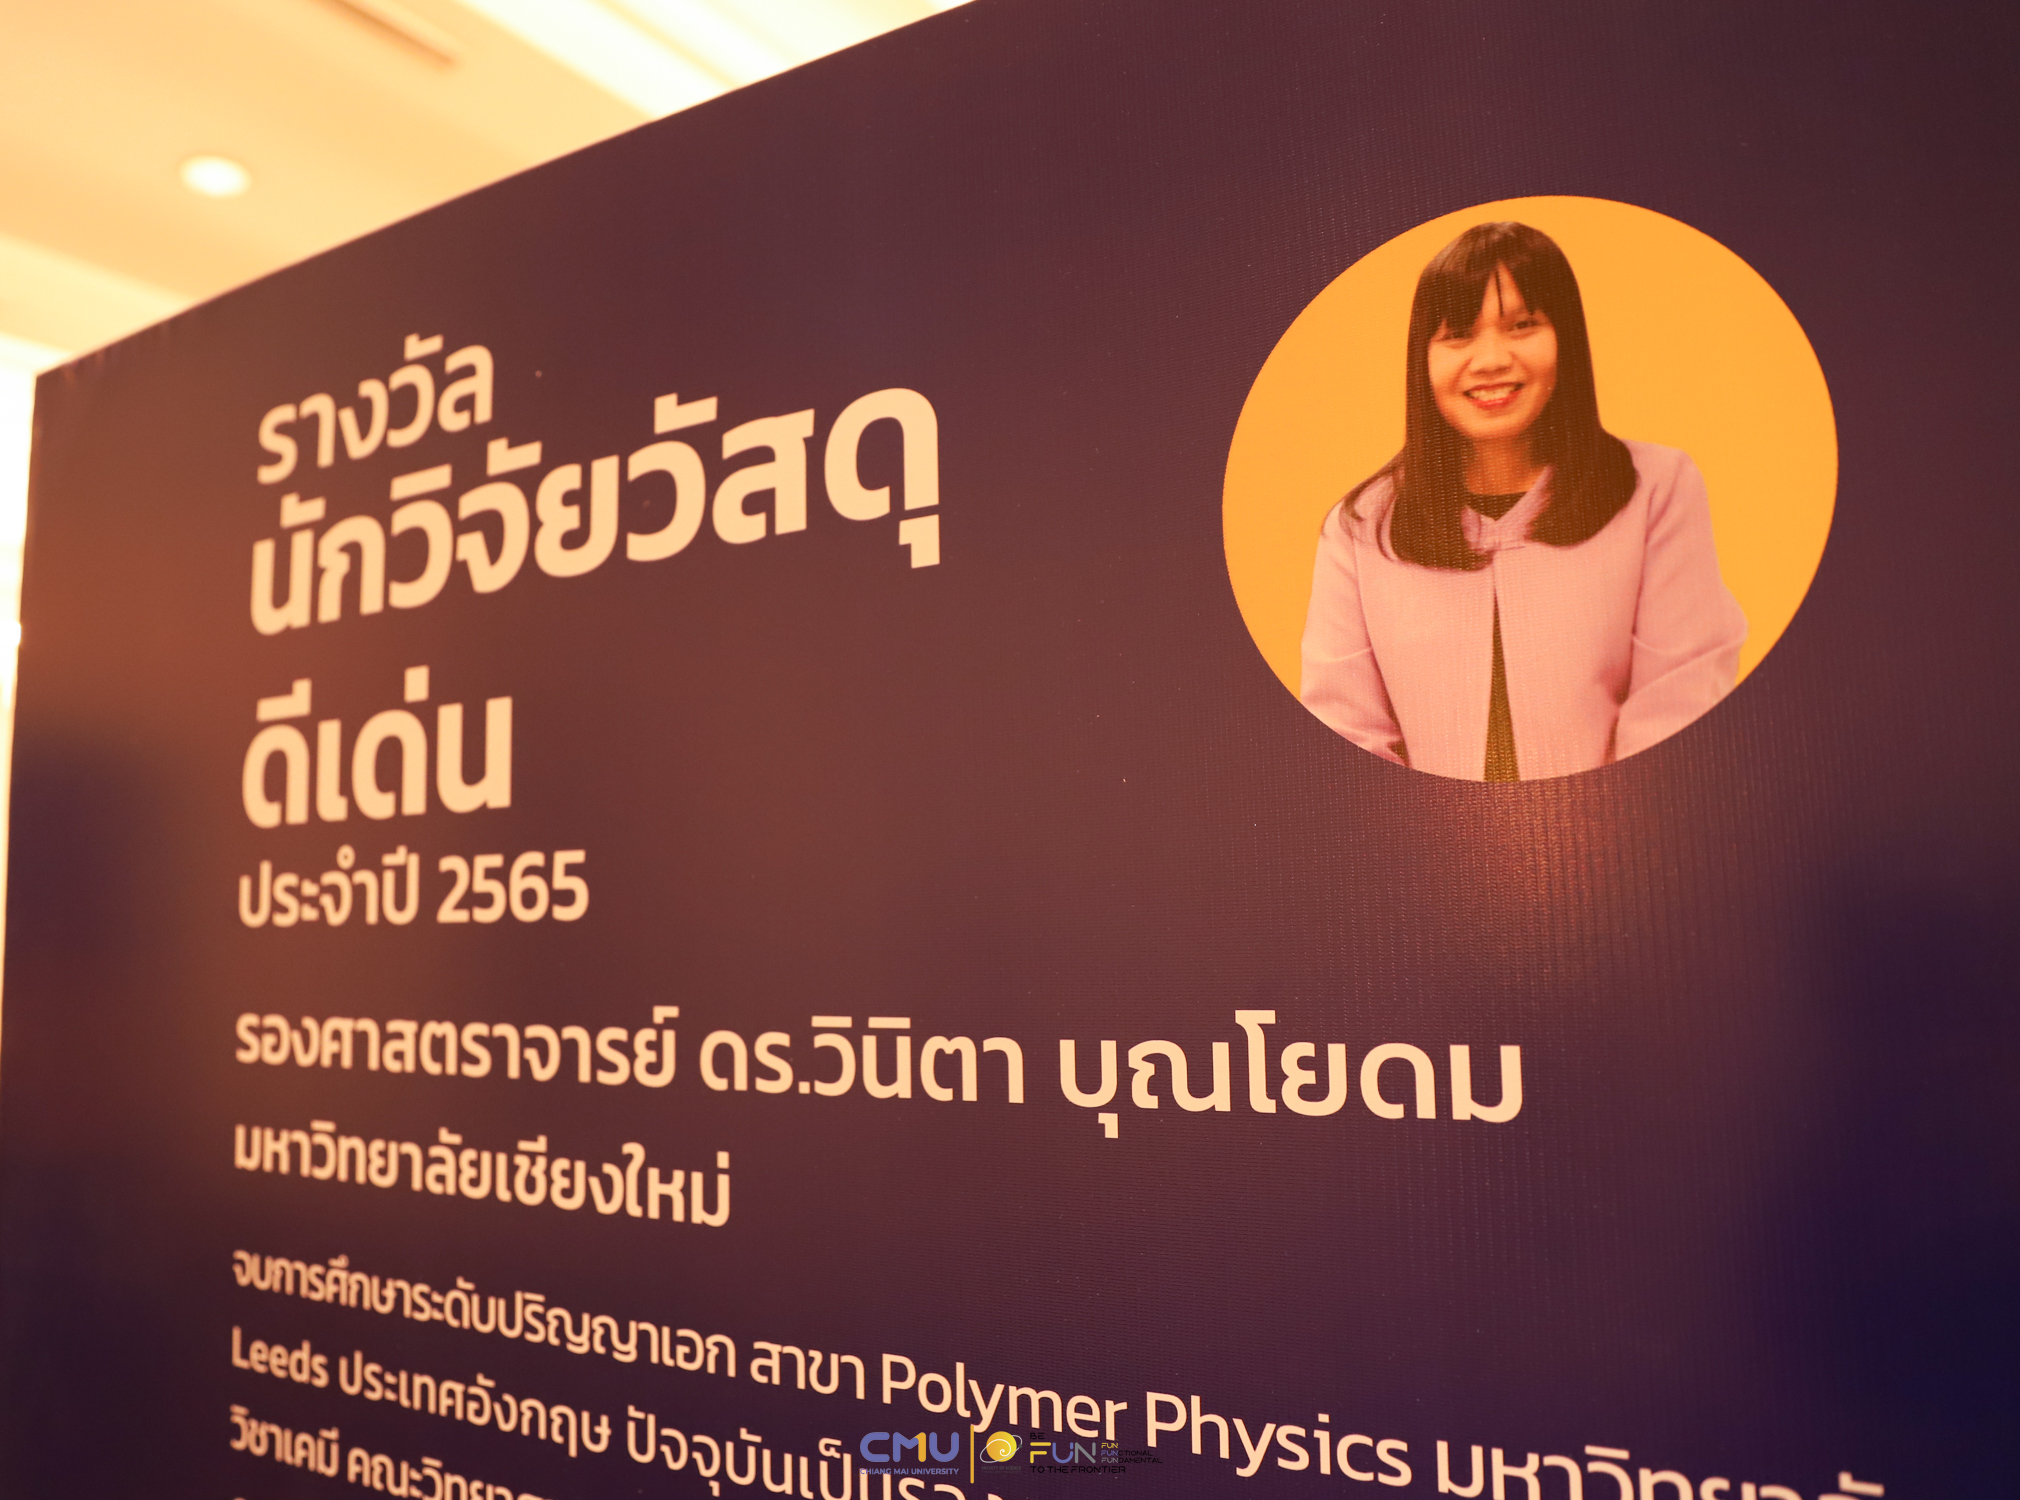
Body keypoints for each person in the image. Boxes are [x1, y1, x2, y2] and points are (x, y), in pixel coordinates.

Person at [1299, 221, 1746, 781]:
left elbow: (1678, 703)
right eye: (1457, 334)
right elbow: (1343, 733)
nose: (1491, 359)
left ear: (1566, 340)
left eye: (1523, 325)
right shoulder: (1360, 527)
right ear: (1422, 358)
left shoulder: (1657, 489)